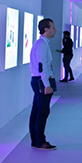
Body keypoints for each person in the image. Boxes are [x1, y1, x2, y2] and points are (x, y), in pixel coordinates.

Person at [29, 18, 58, 150]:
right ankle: (40, 141)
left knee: (37, 110)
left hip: (39, 80)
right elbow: (42, 66)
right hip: (41, 81)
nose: (55, 30)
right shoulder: (42, 45)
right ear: (46, 29)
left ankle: (36, 140)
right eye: (53, 28)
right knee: (42, 112)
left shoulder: (42, 43)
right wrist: (47, 84)